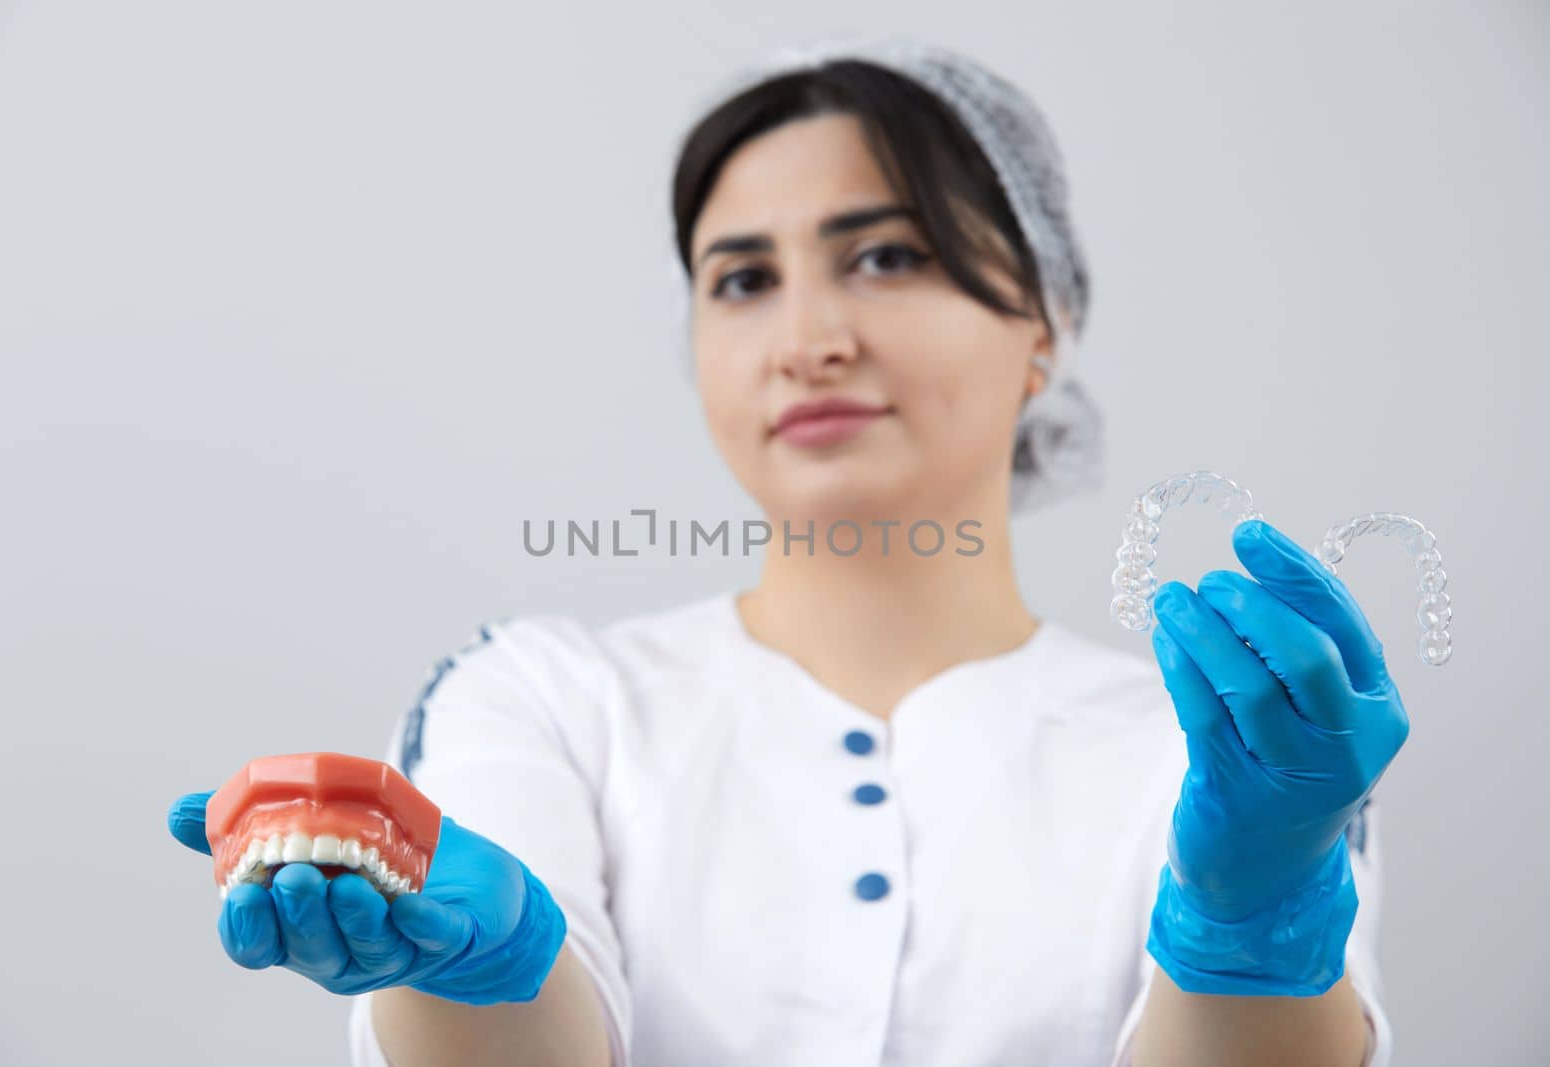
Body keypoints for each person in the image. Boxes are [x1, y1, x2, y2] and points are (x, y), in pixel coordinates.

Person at [167, 37, 1406, 1066]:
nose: (806, 339)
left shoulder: (1226, 761)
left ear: (1045, 320)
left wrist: (1253, 912)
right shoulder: (544, 700)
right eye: (742, 278)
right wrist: (483, 977)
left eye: (885, 255)